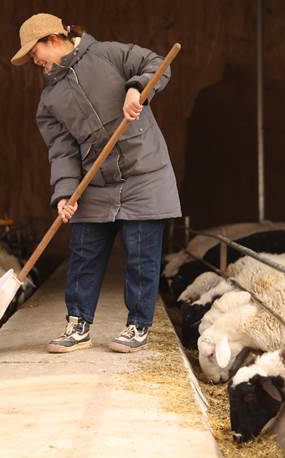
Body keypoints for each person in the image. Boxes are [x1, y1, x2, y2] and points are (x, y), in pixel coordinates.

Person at [11, 13, 181, 353]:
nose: (34, 60)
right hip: (96, 180)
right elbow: (62, 152)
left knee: (140, 254)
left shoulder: (108, 54)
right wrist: (64, 193)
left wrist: (136, 90)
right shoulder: (50, 101)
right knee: (84, 253)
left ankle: (137, 326)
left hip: (144, 172)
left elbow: (156, 63)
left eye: (34, 52)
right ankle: (77, 325)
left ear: (53, 40)